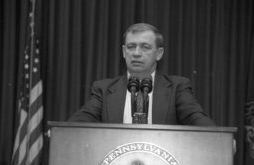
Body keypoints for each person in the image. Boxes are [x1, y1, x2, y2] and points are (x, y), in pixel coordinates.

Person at [68, 23, 215, 126]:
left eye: (145, 47)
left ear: (159, 53)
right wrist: (62, 132)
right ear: (124, 52)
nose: (136, 53)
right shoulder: (104, 89)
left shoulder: (177, 88)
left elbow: (194, 117)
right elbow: (84, 117)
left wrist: (219, 140)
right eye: (131, 47)